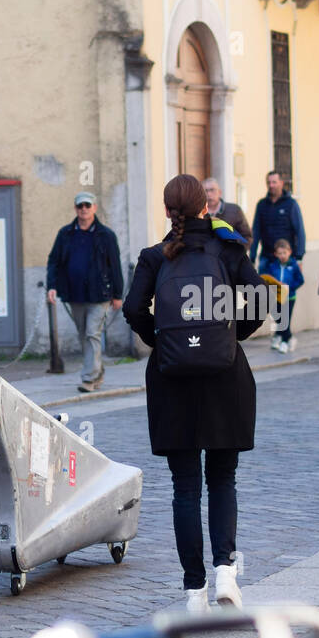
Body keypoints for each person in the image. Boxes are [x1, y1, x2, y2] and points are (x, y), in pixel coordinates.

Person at [122, 174, 266, 613]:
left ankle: (193, 591)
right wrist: (230, 335)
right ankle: (225, 569)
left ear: (167, 212)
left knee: (185, 487)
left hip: (172, 378)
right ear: (207, 207)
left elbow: (131, 310)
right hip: (225, 377)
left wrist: (162, 339)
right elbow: (263, 301)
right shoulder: (229, 248)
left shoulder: (153, 256)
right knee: (223, 477)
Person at [45, 191, 124, 393]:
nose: (84, 209)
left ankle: (88, 378)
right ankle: (97, 371)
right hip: (74, 293)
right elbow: (54, 261)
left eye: (87, 205)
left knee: (91, 333)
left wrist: (118, 294)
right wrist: (52, 286)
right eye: (80, 206)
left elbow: (115, 265)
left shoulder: (106, 235)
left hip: (100, 294)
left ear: (94, 208)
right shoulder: (65, 234)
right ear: (75, 209)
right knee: (84, 335)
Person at [249, 170, 305, 267]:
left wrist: (299, 257)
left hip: (286, 259)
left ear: (281, 183)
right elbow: (256, 231)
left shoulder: (291, 204)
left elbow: (299, 231)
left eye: (274, 182)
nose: (271, 185)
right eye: (268, 182)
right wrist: (252, 257)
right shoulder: (261, 205)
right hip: (266, 258)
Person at [258, 238, 303, 353]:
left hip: (289, 297)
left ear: (290, 252)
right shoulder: (273, 266)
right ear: (275, 254)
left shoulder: (294, 266)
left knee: (285, 320)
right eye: (280, 253)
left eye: (284, 253)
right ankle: (289, 337)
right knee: (278, 318)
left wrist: (289, 286)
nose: (282, 256)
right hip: (277, 298)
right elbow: (270, 280)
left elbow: (300, 280)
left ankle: (284, 341)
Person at [202, 177, 252, 247]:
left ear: (220, 192)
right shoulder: (199, 213)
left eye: (212, 190)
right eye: (206, 191)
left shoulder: (235, 210)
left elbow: (247, 237)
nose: (209, 194)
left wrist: (235, 253)